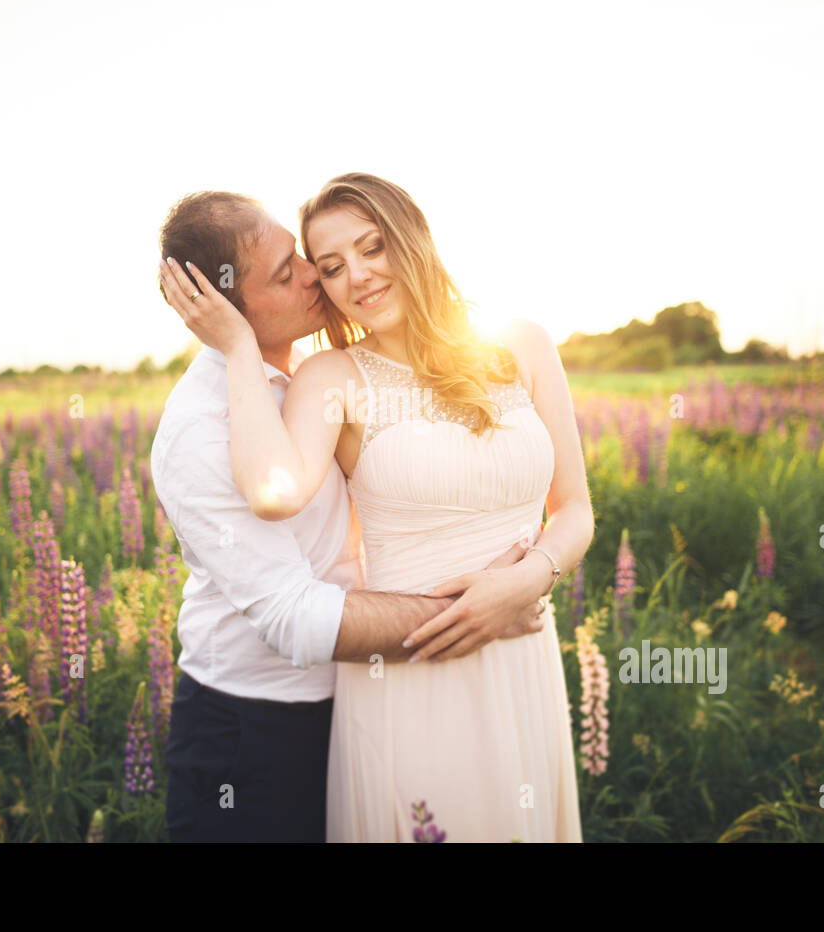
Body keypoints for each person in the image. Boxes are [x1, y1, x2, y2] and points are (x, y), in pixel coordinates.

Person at [159, 174, 593, 841]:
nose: (344, 277)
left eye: (372, 247)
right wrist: (239, 348)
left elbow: (575, 510)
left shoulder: (525, 342)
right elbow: (274, 501)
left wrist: (531, 578)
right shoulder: (320, 380)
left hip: (519, 658)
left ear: (413, 236)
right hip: (327, 697)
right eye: (326, 266)